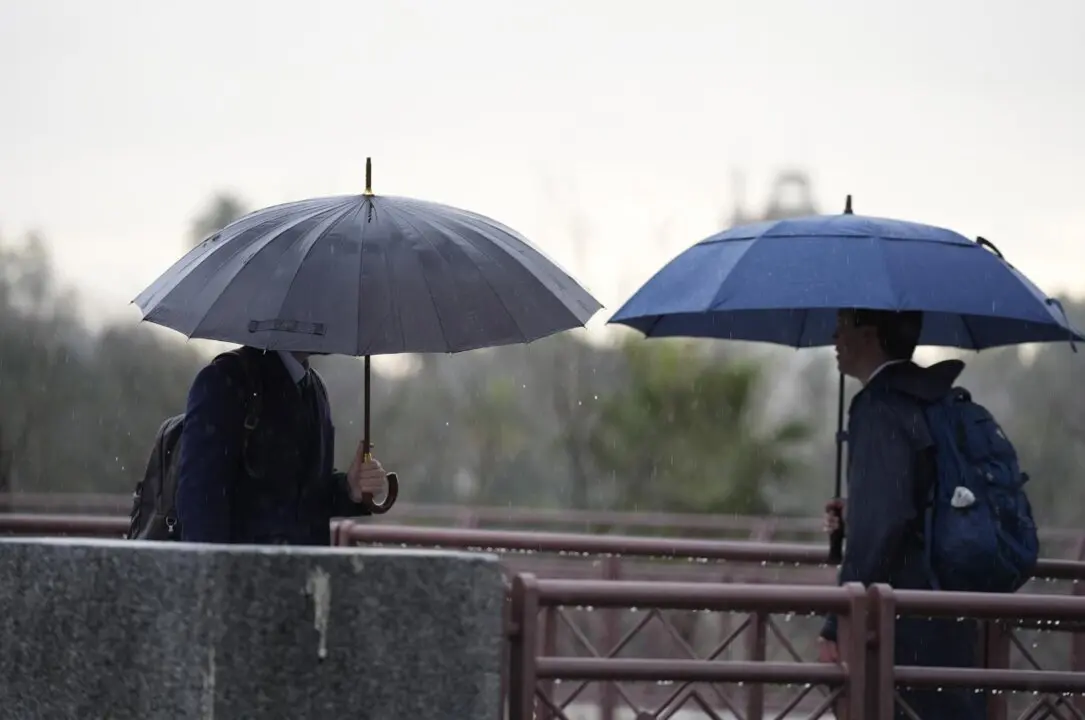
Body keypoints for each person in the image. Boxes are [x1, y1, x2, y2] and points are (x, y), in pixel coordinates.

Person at [819, 308, 984, 720]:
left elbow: (884, 524)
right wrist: (858, 512)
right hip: (948, 610)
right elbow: (914, 498)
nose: (834, 338)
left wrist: (835, 622)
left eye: (842, 326)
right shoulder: (930, 395)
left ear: (870, 334)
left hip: (900, 625)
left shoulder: (879, 408)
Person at [175, 346, 388, 545]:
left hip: (301, 576)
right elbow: (200, 501)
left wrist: (348, 488)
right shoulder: (225, 379)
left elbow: (304, 497)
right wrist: (210, 579)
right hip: (245, 576)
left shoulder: (314, 387)